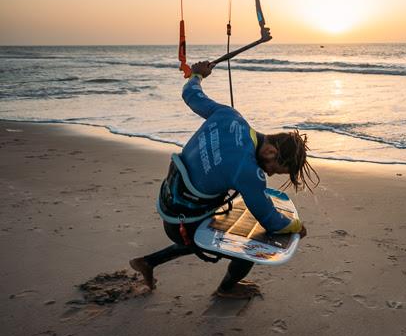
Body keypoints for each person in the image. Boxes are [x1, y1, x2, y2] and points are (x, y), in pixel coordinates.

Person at [130, 60, 318, 299]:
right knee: (253, 246)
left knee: (222, 226)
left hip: (170, 202)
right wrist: (296, 227)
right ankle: (226, 289)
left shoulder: (229, 115)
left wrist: (197, 74)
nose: (269, 174)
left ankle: (147, 262)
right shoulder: (249, 171)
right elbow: (271, 221)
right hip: (184, 223)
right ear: (271, 152)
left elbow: (190, 94)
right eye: (275, 169)